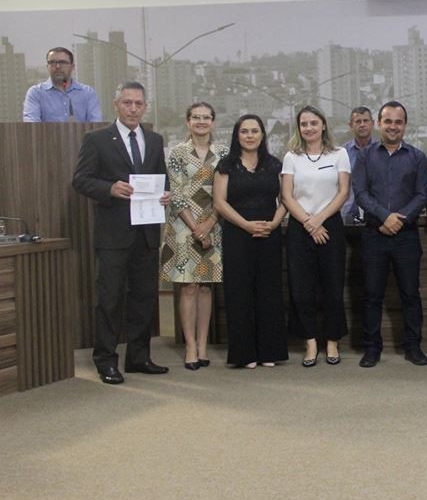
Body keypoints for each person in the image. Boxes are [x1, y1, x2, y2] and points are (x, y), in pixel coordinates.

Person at [72, 81, 170, 385]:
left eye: (138, 104)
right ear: (116, 105)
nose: (133, 109)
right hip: (113, 234)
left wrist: (166, 193)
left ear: (145, 107)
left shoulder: (154, 140)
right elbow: (81, 180)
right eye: (127, 103)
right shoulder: (97, 139)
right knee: (110, 299)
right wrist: (109, 188)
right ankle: (106, 360)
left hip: (146, 233)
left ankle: (139, 357)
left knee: (143, 298)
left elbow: (162, 179)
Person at [353, 101, 427, 368]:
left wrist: (400, 218)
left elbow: (422, 195)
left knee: (411, 294)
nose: (393, 126)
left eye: (398, 122)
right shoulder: (365, 156)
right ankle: (372, 348)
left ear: (405, 126)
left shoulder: (417, 157)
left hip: (406, 236)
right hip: (374, 234)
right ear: (379, 123)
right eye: (388, 121)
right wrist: (384, 217)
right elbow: (361, 193)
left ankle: (413, 347)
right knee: (372, 294)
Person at [213, 114, 288, 369]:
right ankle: (244, 354)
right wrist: (245, 224)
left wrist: (275, 223)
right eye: (244, 131)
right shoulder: (226, 165)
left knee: (270, 292)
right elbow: (219, 202)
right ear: (237, 135)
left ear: (262, 135)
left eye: (254, 131)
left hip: (269, 234)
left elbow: (286, 199)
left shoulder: (274, 165)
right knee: (239, 293)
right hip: (237, 234)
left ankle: (270, 351)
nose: (249, 135)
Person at [160, 102, 228, 370]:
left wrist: (210, 223)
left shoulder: (223, 153)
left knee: (206, 287)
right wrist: (197, 228)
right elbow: (176, 194)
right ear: (187, 122)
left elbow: (226, 193)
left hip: (215, 224)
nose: (201, 122)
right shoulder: (177, 153)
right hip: (182, 228)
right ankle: (189, 346)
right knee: (188, 287)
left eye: (206, 117)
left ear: (213, 122)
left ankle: (203, 344)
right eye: (196, 117)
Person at [281, 106, 350, 368]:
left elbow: (343, 192)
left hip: (330, 224)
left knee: (332, 286)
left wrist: (319, 220)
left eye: (313, 123)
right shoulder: (291, 157)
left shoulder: (339, 154)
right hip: (300, 226)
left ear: (323, 125)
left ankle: (332, 340)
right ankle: (310, 342)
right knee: (302, 288)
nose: (308, 128)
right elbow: (286, 195)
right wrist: (309, 222)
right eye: (304, 124)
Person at [23, 47, 102, 122]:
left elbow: (96, 124)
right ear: (47, 66)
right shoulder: (36, 93)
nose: (57, 66)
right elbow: (31, 124)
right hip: (46, 136)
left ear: (72, 66)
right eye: (52, 63)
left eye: (62, 62)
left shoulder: (87, 93)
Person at [341, 106, 377, 224]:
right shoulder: (342, 153)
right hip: (347, 215)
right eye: (358, 121)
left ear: (372, 123)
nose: (362, 125)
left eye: (365, 121)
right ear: (351, 125)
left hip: (376, 215)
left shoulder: (382, 151)